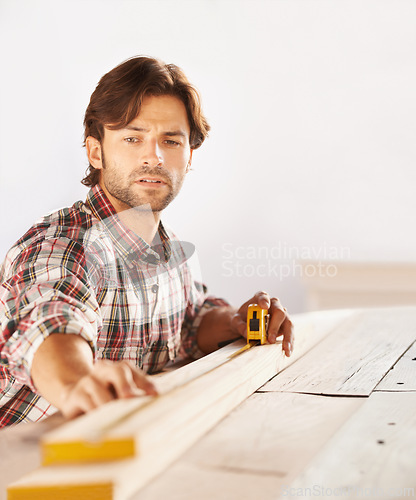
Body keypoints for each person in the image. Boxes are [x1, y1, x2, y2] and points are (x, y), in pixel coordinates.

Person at [0, 56, 293, 428]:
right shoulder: (59, 246)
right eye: (133, 138)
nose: (153, 156)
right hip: (22, 467)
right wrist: (76, 383)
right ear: (95, 151)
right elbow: (49, 322)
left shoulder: (173, 252)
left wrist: (235, 321)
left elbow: (186, 327)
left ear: (189, 158)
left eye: (171, 141)